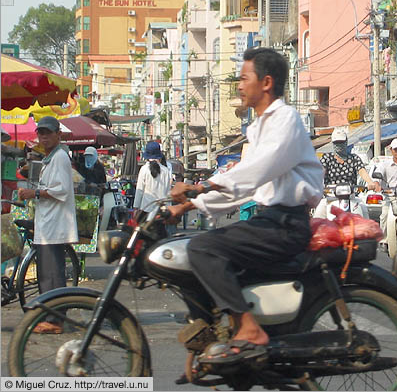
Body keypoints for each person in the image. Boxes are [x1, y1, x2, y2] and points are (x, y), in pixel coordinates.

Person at [167, 47, 323, 365]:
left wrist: (200, 186)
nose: (239, 85)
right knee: (193, 253)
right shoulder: (260, 127)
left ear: (266, 82)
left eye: (243, 78)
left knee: (203, 248)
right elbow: (239, 186)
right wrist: (192, 204)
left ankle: (249, 330)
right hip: (271, 221)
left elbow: (255, 173)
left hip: (285, 224)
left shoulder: (286, 121)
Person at [17, 116, 78, 334]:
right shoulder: (49, 158)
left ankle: (56, 320)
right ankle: (49, 316)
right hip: (47, 223)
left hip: (55, 225)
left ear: (58, 134)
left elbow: (60, 189)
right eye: (40, 133)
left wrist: (34, 192)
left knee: (53, 276)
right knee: (46, 275)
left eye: (48, 133)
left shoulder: (60, 156)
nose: (43, 137)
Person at [314, 127, 380, 217]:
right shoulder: (327, 158)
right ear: (332, 143)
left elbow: (361, 171)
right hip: (331, 197)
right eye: (336, 143)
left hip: (352, 197)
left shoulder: (354, 158)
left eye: (341, 142)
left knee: (365, 215)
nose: (339, 145)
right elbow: (321, 172)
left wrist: (370, 182)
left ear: (346, 142)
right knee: (318, 216)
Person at [133, 141, 172, 221]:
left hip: (146, 208)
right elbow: (168, 191)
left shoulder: (144, 169)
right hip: (162, 208)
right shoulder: (166, 170)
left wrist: (136, 207)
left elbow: (139, 190)